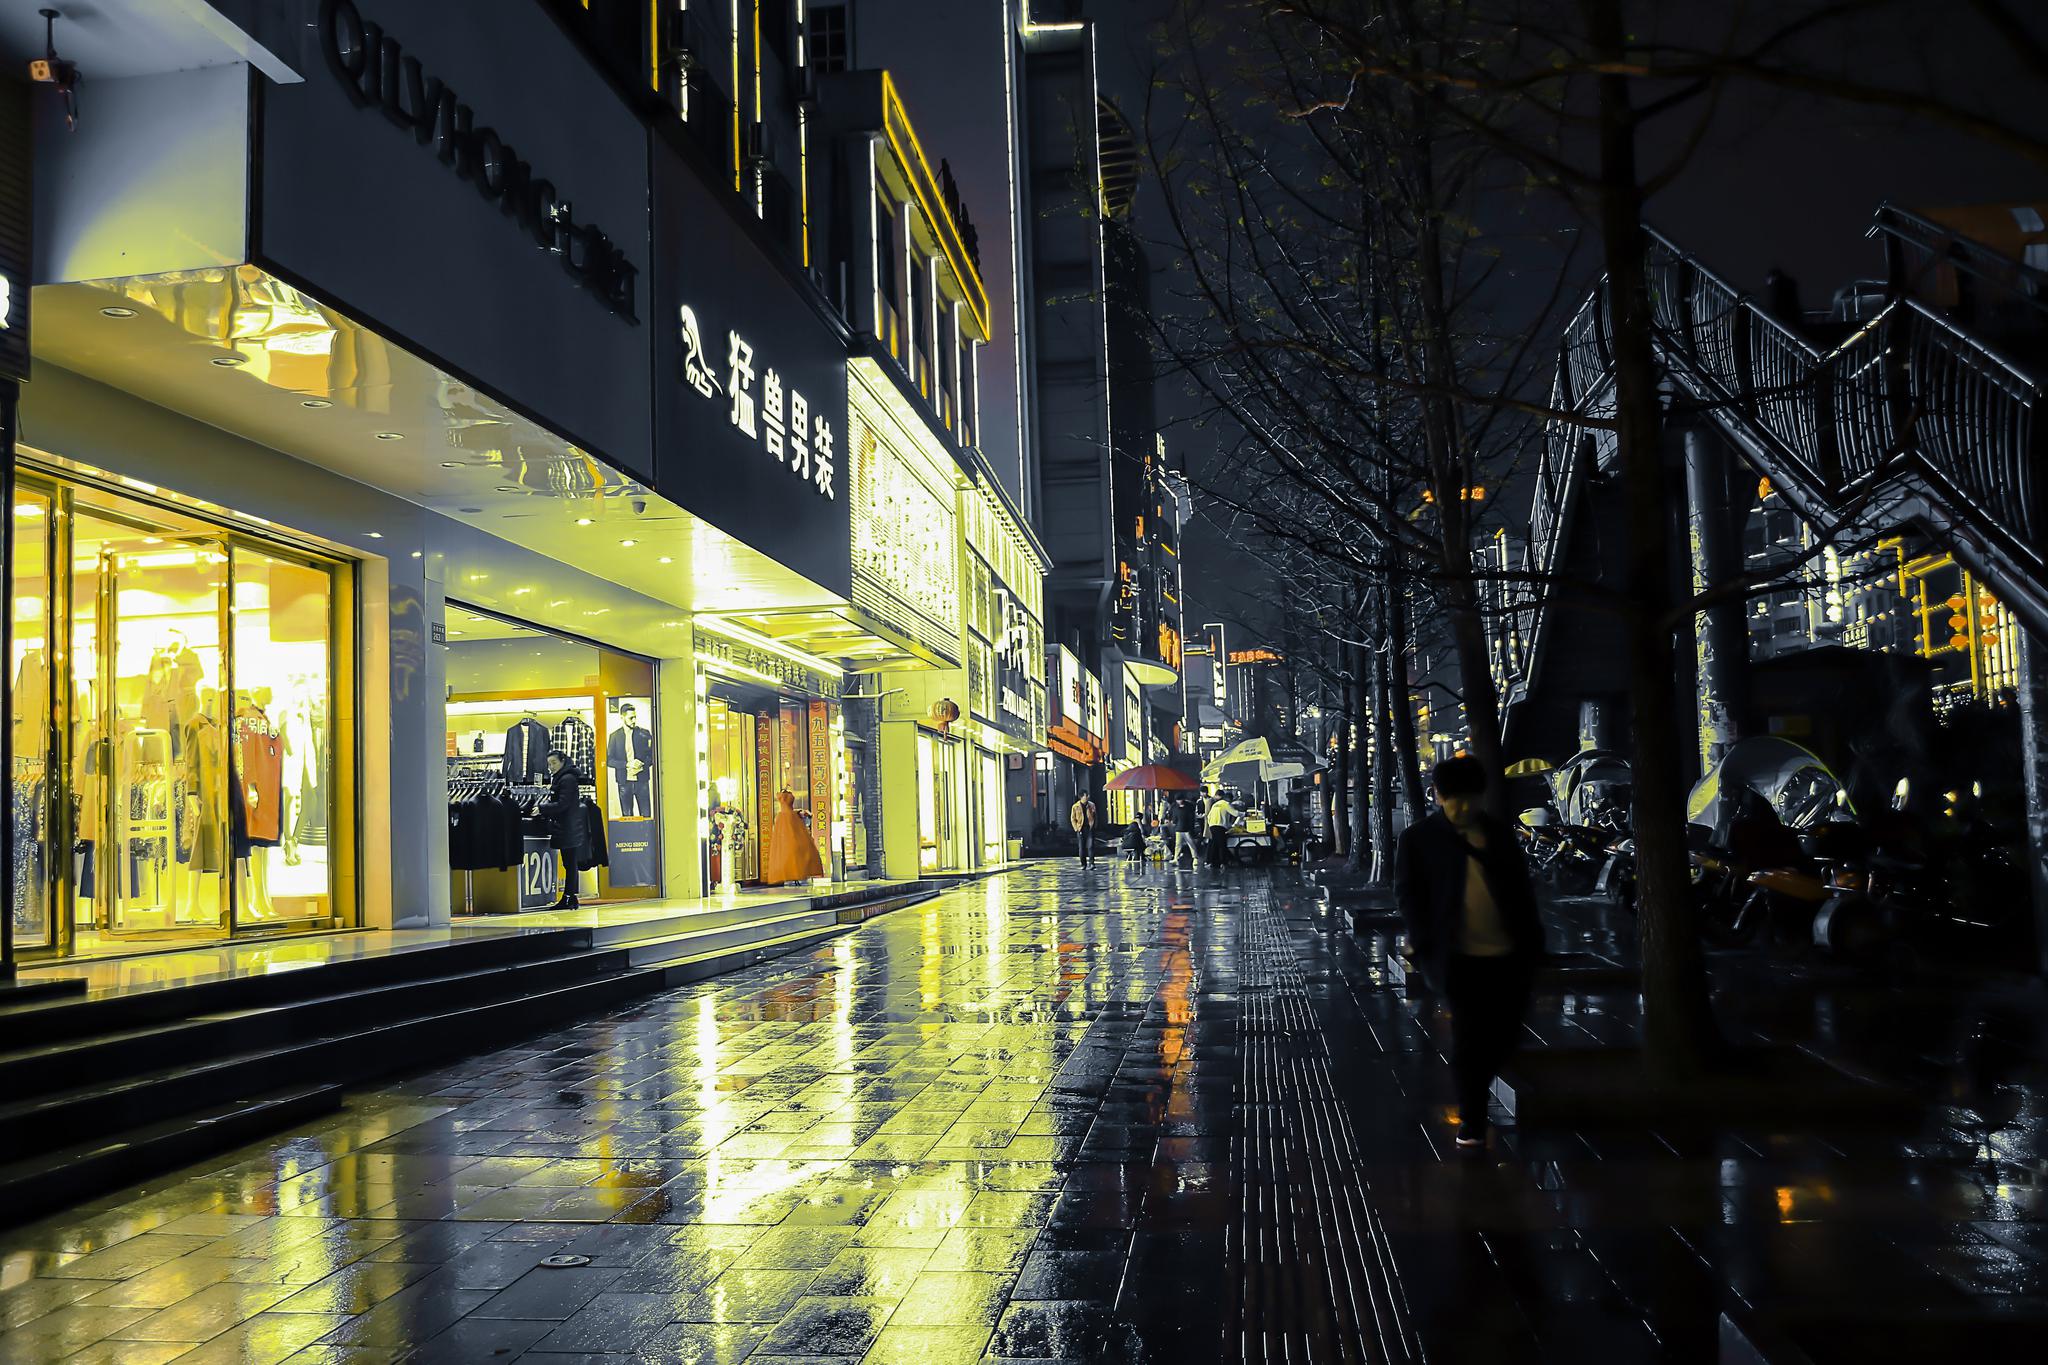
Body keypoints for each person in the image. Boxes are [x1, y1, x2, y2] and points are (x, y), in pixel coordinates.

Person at [1395, 755, 1543, 1150]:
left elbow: (1521, 892)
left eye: (1470, 798)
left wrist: (1534, 942)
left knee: (1506, 1033)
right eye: (1453, 799)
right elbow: (1408, 895)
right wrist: (1423, 939)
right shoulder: (1417, 839)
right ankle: (1473, 1118)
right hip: (1456, 957)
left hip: (1508, 954)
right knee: (1468, 1037)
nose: (1462, 808)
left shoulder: (1498, 835)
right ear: (1438, 797)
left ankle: (1478, 1090)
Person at [539, 749, 594, 910]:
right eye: (549, 764)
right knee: (569, 864)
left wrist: (543, 808)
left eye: (554, 763)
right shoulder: (564, 778)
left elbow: (563, 804)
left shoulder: (567, 779)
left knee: (570, 864)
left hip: (569, 828)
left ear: (562, 761)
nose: (551, 767)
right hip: (568, 827)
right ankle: (570, 897)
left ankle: (568, 898)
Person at [761, 789, 824, 884]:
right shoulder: (782, 798)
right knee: (790, 844)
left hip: (788, 817)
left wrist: (798, 812)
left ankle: (795, 873)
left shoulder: (786, 809)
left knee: (794, 844)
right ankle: (793, 873)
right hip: (788, 817)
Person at [606, 702, 655, 817]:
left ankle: (645, 835)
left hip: (641, 780)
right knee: (627, 816)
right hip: (624, 782)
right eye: (631, 718)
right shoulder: (615, 736)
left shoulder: (644, 733)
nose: (634, 720)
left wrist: (642, 765)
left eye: (635, 717)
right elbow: (609, 760)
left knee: (646, 815)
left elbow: (652, 756)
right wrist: (627, 764)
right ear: (622, 717)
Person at [1204, 791, 1239, 870]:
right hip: (1220, 827)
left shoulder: (1215, 805)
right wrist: (1244, 814)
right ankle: (1223, 863)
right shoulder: (1226, 804)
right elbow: (1235, 813)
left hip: (1212, 826)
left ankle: (1212, 862)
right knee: (1222, 845)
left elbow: (1209, 816)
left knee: (1214, 844)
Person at [1070, 792, 1098, 867]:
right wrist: (1076, 829)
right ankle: (1083, 864)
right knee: (1082, 847)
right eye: (1086, 796)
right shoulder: (1075, 806)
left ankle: (1092, 863)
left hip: (1089, 828)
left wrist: (1094, 826)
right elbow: (1073, 819)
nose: (1087, 797)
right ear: (1081, 797)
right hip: (1080, 829)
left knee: (1090, 846)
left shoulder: (1091, 805)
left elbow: (1095, 816)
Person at [1173, 795, 1201, 866]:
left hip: (1185, 829)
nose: (1179, 801)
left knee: (1190, 843)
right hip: (1180, 829)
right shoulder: (1179, 808)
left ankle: (1195, 858)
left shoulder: (1184, 808)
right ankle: (1176, 858)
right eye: (1178, 800)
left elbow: (1175, 819)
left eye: (1180, 799)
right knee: (1179, 844)